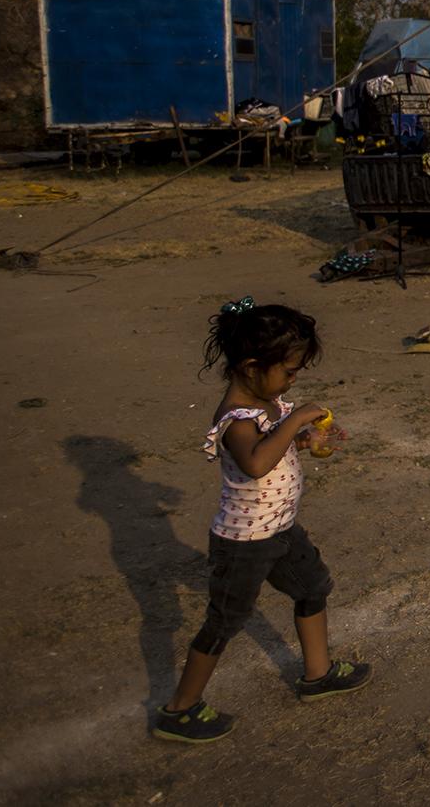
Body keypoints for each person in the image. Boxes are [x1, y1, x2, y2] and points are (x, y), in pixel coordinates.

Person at [152, 297, 372, 743]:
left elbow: (277, 449)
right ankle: (181, 708)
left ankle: (318, 674)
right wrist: (296, 422)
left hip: (281, 531)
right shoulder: (236, 418)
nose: (293, 380)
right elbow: (255, 463)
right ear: (252, 366)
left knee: (312, 588)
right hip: (244, 541)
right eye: (288, 372)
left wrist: (309, 439)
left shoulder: (271, 405)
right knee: (225, 621)